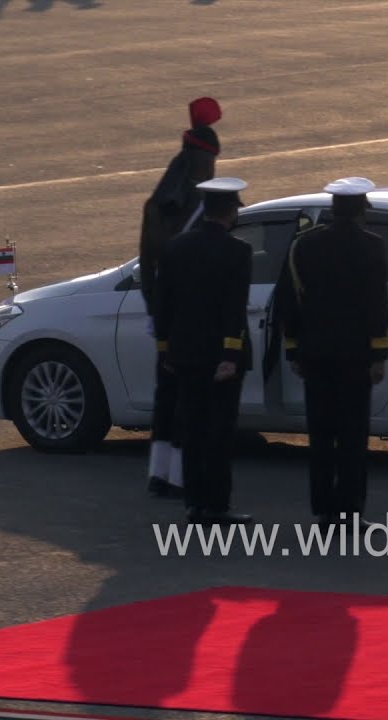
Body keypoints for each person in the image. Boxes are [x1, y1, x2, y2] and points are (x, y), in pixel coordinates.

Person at [272, 177, 388, 528]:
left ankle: (323, 509)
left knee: (321, 434)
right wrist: (378, 353)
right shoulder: (373, 246)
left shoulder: (303, 245)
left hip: (315, 355)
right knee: (353, 436)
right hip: (355, 356)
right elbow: (376, 305)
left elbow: (288, 302)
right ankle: (351, 511)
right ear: (360, 212)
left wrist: (294, 351)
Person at [153, 176, 253, 525]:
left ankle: (193, 504)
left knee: (193, 430)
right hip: (220, 358)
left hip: (184, 354)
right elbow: (234, 309)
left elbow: (163, 306)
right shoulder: (238, 251)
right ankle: (217, 505)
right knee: (220, 433)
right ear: (230, 212)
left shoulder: (175, 248)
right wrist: (229, 355)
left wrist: (166, 351)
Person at [138, 96, 222, 498]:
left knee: (165, 396)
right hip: (194, 317)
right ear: (204, 161)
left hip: (164, 316)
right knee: (191, 399)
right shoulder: (204, 206)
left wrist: (154, 310)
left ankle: (160, 473)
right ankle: (181, 478)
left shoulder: (156, 205)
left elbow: (147, 263)